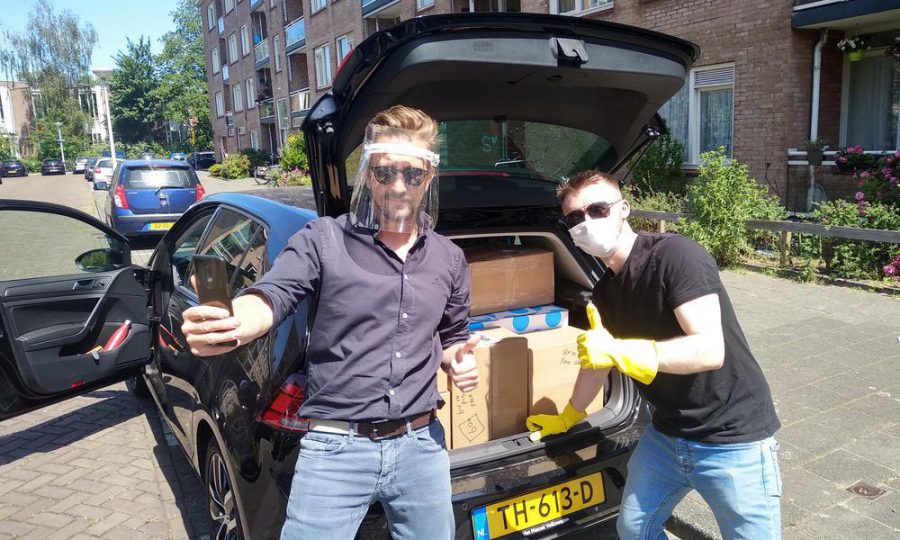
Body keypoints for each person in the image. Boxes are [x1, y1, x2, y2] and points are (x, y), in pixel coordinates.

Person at [180, 105, 479, 539]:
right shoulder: (323, 240)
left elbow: (453, 336)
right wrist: (235, 323)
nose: (398, 186)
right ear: (367, 172)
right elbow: (274, 293)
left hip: (421, 447)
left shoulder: (449, 259)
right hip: (336, 450)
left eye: (412, 175)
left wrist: (458, 360)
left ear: (429, 177)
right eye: (385, 172)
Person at [525, 170, 782, 539]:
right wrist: (569, 415)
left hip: (732, 439)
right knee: (634, 530)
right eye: (574, 218)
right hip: (666, 436)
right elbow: (599, 365)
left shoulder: (676, 256)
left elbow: (709, 350)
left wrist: (620, 350)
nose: (587, 222)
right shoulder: (604, 294)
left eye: (598, 209)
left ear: (623, 208)